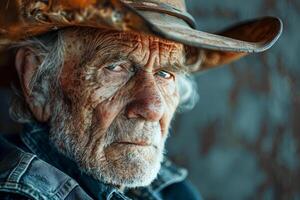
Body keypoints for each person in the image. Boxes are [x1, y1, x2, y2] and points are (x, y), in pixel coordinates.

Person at [0, 0, 282, 199]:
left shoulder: (170, 190)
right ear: (36, 80)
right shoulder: (22, 192)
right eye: (115, 67)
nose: (152, 107)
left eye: (165, 73)